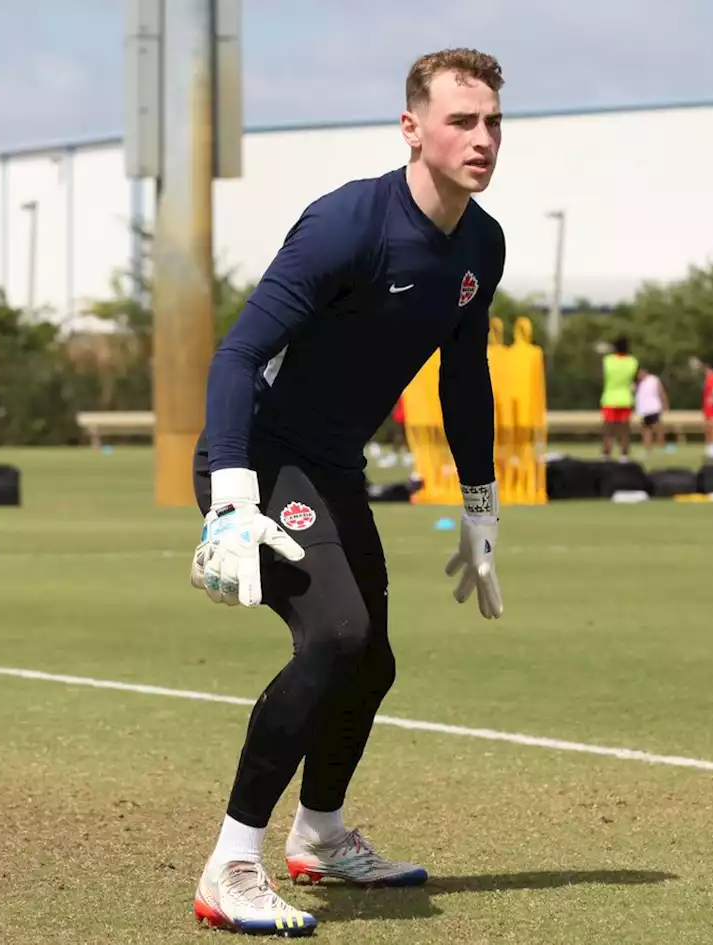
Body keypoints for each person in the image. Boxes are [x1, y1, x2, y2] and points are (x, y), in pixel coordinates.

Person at [187, 48, 507, 936]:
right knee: (336, 633)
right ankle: (230, 865)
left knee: (374, 661)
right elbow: (237, 355)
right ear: (412, 127)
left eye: (492, 123)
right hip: (256, 455)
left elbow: (465, 380)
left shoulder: (482, 244)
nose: (481, 140)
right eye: (461, 121)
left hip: (328, 466)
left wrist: (479, 507)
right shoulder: (347, 224)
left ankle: (320, 836)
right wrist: (229, 498)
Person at [599, 337, 638, 461]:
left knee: (608, 431)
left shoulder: (608, 361)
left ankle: (606, 454)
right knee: (624, 431)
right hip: (625, 398)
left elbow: (603, 375)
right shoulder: (632, 361)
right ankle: (624, 456)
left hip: (610, 398)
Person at [633, 366, 669, 454]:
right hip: (644, 410)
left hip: (654, 408)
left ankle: (661, 446)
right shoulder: (639, 383)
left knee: (658, 428)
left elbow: (661, 392)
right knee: (646, 429)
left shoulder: (653, 380)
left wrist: (665, 404)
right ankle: (648, 449)